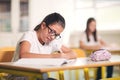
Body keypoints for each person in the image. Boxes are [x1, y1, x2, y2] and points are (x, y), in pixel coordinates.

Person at [11, 12, 77, 80]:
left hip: (36, 77)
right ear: (43, 25)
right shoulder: (29, 35)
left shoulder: (52, 42)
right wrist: (53, 57)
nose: (53, 37)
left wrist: (63, 56)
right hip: (19, 77)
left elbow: (73, 53)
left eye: (56, 35)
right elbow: (24, 55)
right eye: (52, 31)